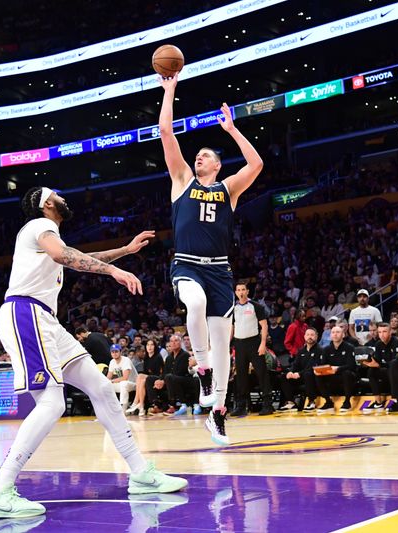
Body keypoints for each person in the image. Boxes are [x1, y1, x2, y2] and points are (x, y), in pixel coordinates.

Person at [0, 188, 186, 519]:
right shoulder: (37, 227)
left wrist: (125, 251)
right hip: (25, 312)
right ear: (46, 204)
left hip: (47, 321)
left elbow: (78, 257)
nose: (64, 198)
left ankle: (141, 473)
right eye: (57, 195)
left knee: (101, 387)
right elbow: (65, 256)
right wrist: (115, 272)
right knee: (52, 402)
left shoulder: (51, 239)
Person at [159, 73, 263, 445]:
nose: (199, 157)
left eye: (206, 156)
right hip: (186, 263)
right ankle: (200, 369)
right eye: (198, 155)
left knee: (224, 346)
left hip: (220, 269)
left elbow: (256, 165)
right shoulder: (182, 180)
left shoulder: (227, 189)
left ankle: (218, 413)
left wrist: (233, 130)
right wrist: (170, 90)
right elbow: (167, 135)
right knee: (195, 303)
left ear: (217, 166)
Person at [231, 282, 272, 417]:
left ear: (247, 291)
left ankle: (268, 405)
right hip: (239, 344)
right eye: (238, 290)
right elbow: (232, 327)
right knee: (240, 375)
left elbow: (264, 326)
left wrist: (262, 343)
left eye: (243, 289)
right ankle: (242, 406)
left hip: (254, 342)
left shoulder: (256, 306)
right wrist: (228, 343)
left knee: (262, 373)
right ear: (236, 292)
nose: (241, 292)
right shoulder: (233, 308)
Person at [107, 344, 137, 411]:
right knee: (106, 386)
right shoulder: (112, 362)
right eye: (113, 352)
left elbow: (125, 378)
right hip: (122, 384)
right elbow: (108, 377)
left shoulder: (126, 360)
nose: (114, 353)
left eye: (116, 351)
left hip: (134, 383)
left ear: (120, 352)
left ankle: (123, 407)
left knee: (123, 383)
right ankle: (109, 407)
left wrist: (111, 381)